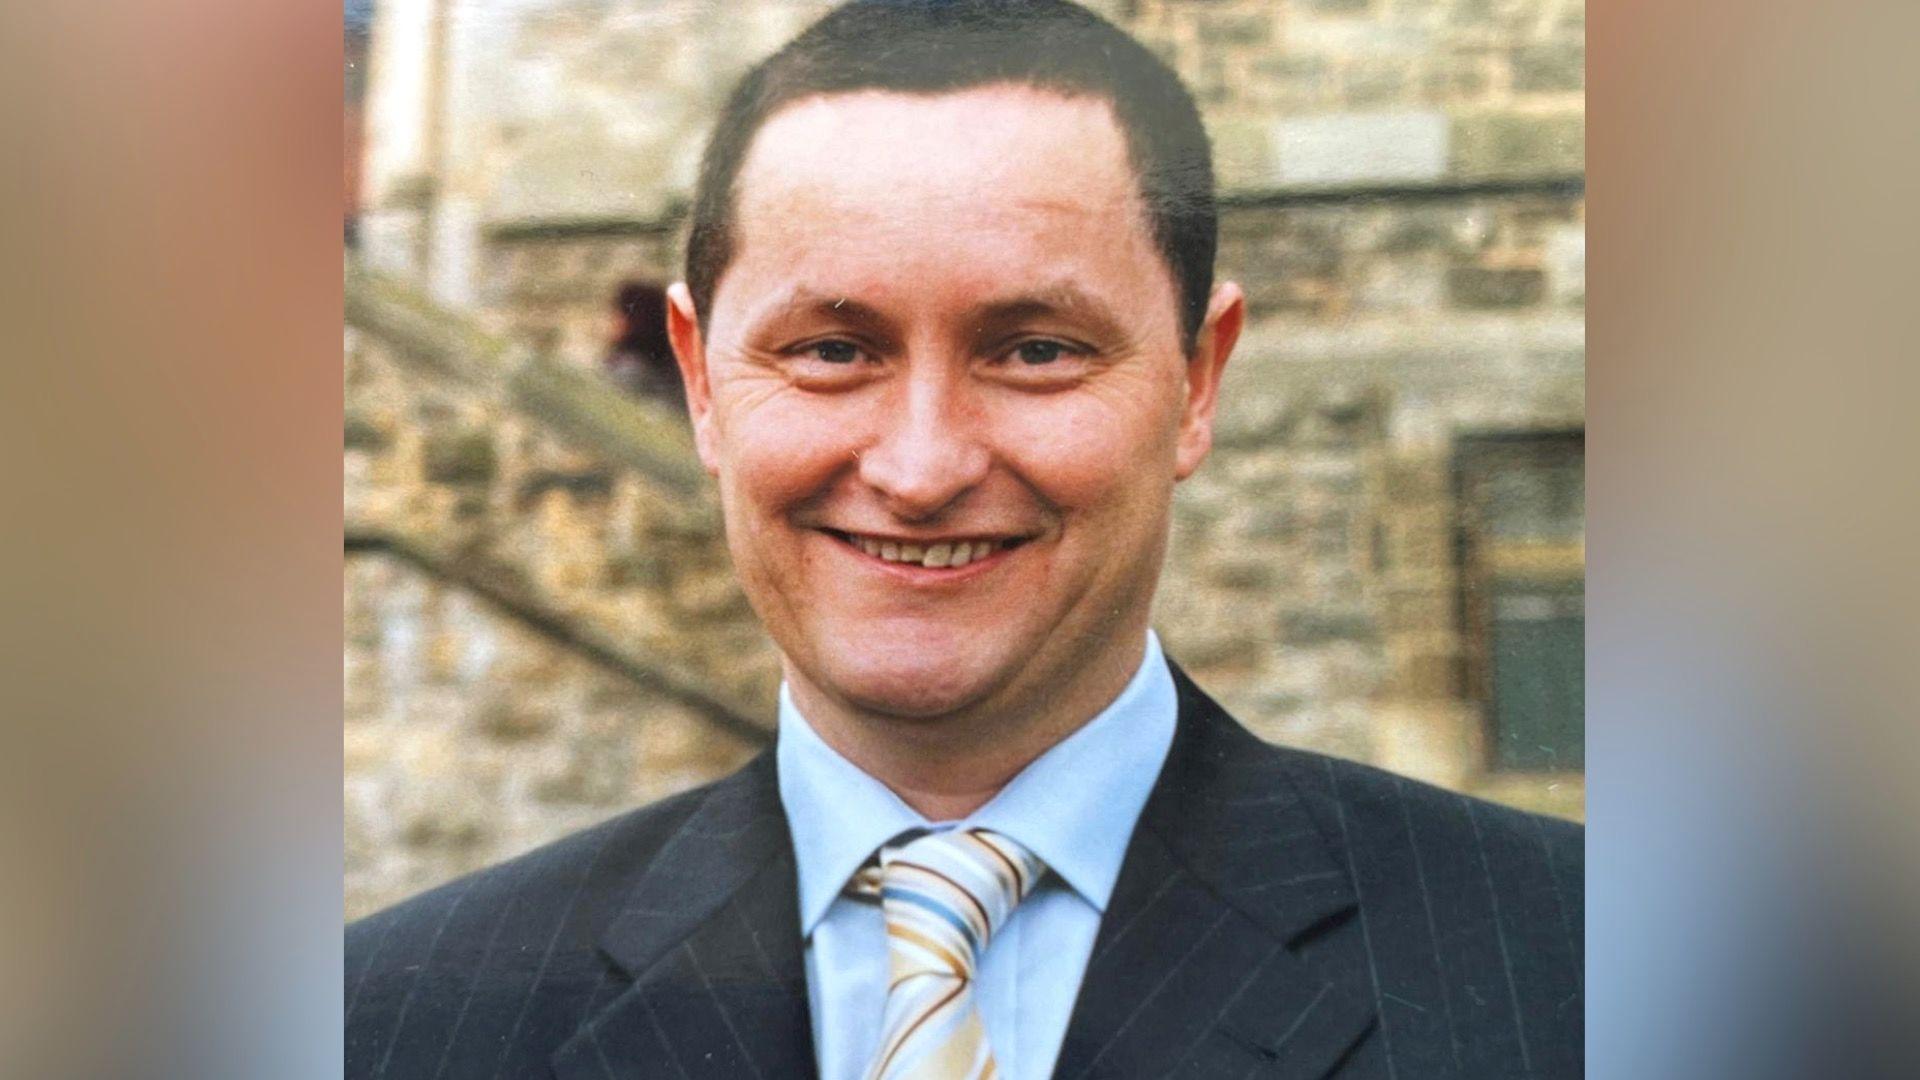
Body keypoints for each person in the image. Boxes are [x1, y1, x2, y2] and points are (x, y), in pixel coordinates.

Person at [345, 2, 1582, 1077]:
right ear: (702, 384)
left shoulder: (1582, 976)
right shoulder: (391, 1023)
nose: (923, 466)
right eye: (832, 352)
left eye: (1036, 351)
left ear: (1198, 381)